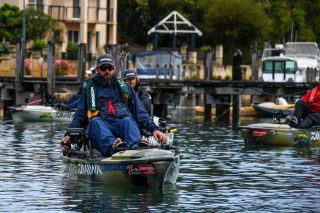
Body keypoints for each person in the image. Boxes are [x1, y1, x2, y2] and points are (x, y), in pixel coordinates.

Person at [61, 53, 167, 157]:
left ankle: (136, 147)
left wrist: (154, 129)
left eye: (109, 68)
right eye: (103, 68)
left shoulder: (126, 88)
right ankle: (114, 147)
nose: (107, 71)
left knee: (128, 120)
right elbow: (79, 114)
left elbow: (140, 112)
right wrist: (69, 134)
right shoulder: (89, 89)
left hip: (121, 122)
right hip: (102, 125)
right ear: (97, 70)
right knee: (95, 122)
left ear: (114, 69)